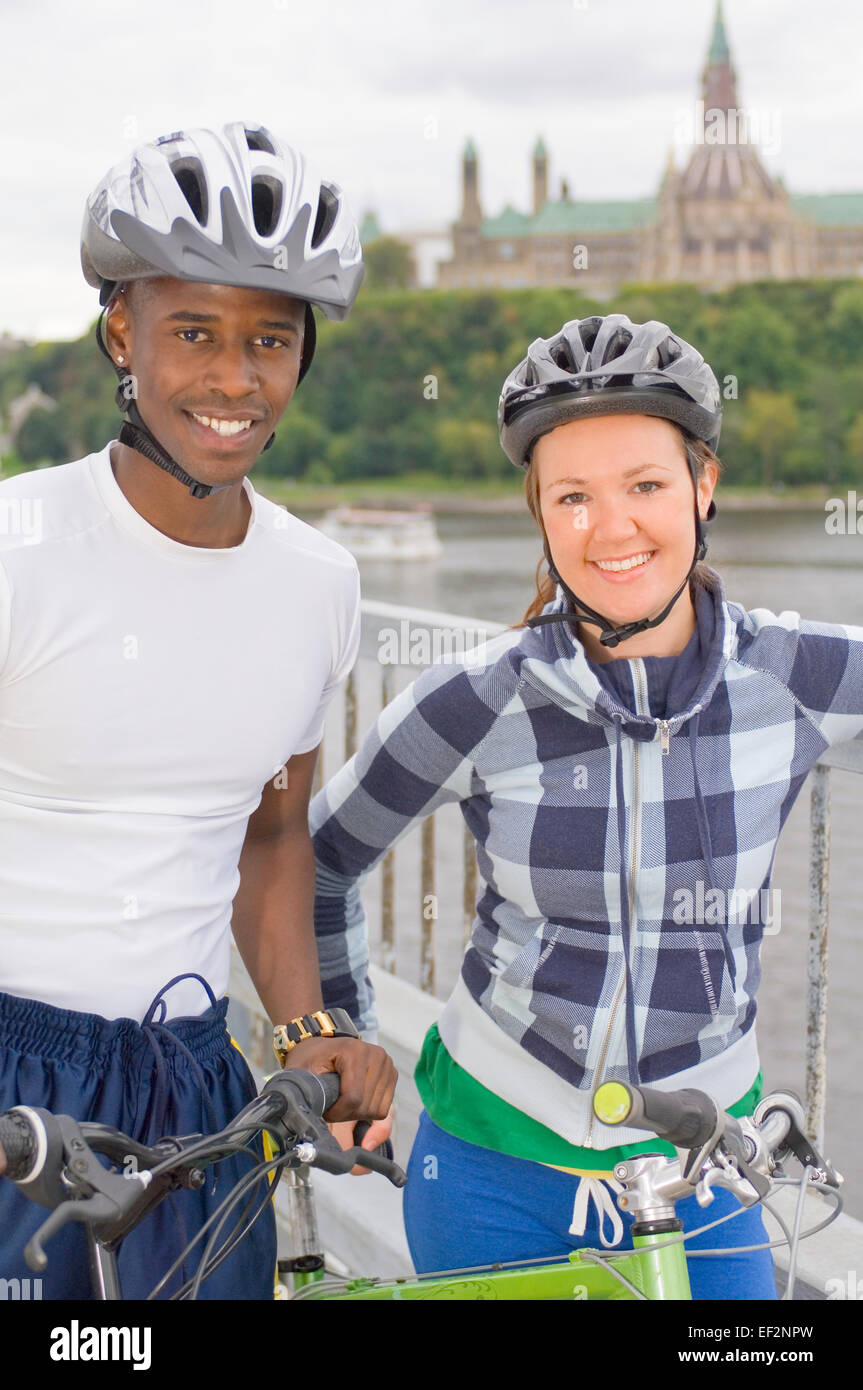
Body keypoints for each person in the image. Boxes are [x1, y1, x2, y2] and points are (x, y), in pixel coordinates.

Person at [309, 312, 863, 1300]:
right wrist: (338, 1035)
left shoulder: (794, 675)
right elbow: (321, 859)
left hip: (702, 1172)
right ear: (538, 511)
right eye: (572, 495)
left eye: (645, 485)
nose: (611, 529)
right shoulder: (475, 697)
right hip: (487, 1167)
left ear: (703, 485)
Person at [0, 121, 396, 1300]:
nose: (233, 379)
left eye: (267, 340)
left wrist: (304, 1026)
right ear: (122, 333)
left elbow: (270, 837)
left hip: (190, 1082)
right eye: (193, 333)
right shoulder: (20, 551)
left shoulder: (317, 582)